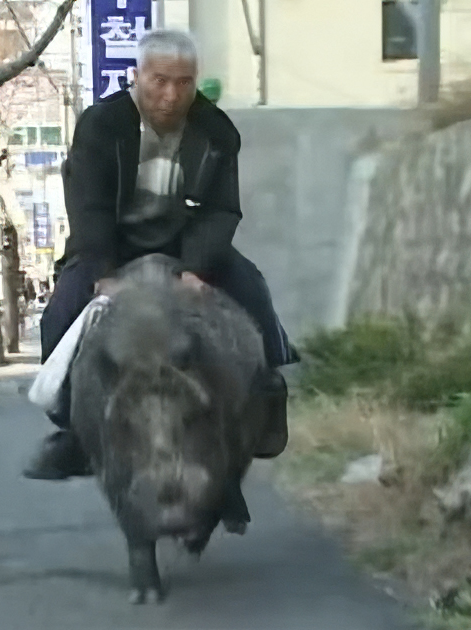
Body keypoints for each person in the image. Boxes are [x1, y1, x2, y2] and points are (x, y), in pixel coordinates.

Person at [25, 29, 298, 480]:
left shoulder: (217, 131)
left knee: (252, 286)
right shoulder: (101, 124)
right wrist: (103, 270)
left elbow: (221, 209)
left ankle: (269, 390)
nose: (171, 94)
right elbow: (86, 202)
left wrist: (197, 268)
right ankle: (72, 424)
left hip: (185, 243)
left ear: (196, 82)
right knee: (61, 313)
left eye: (184, 82)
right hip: (111, 244)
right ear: (137, 76)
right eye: (160, 81)